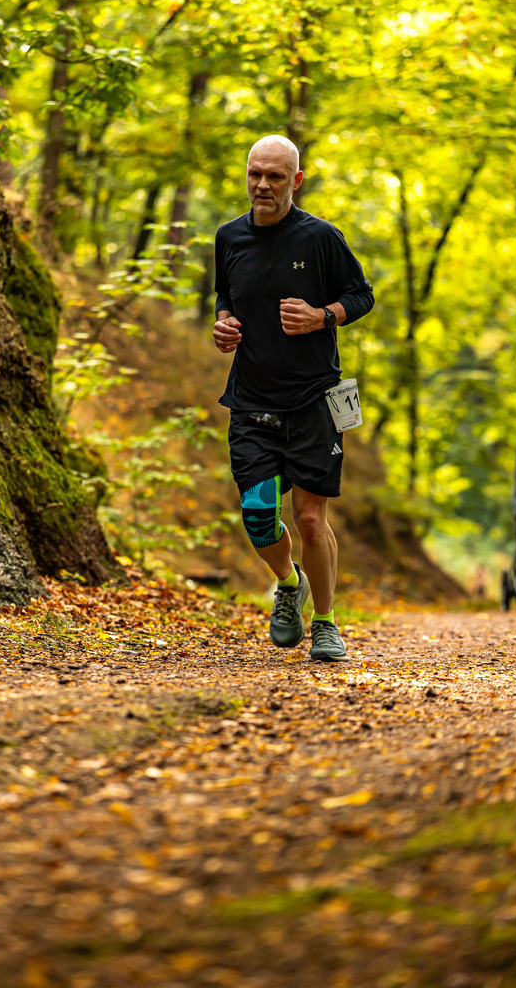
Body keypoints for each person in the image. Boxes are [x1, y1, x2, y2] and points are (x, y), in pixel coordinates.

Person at [213, 134, 374, 661]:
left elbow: (362, 295)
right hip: (252, 400)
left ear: (296, 181)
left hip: (314, 398)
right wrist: (224, 324)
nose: (263, 184)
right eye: (255, 173)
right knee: (258, 515)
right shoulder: (228, 237)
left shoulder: (321, 238)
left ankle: (325, 623)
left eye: (275, 176)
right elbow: (224, 296)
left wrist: (323, 316)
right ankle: (289, 583)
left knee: (309, 518)